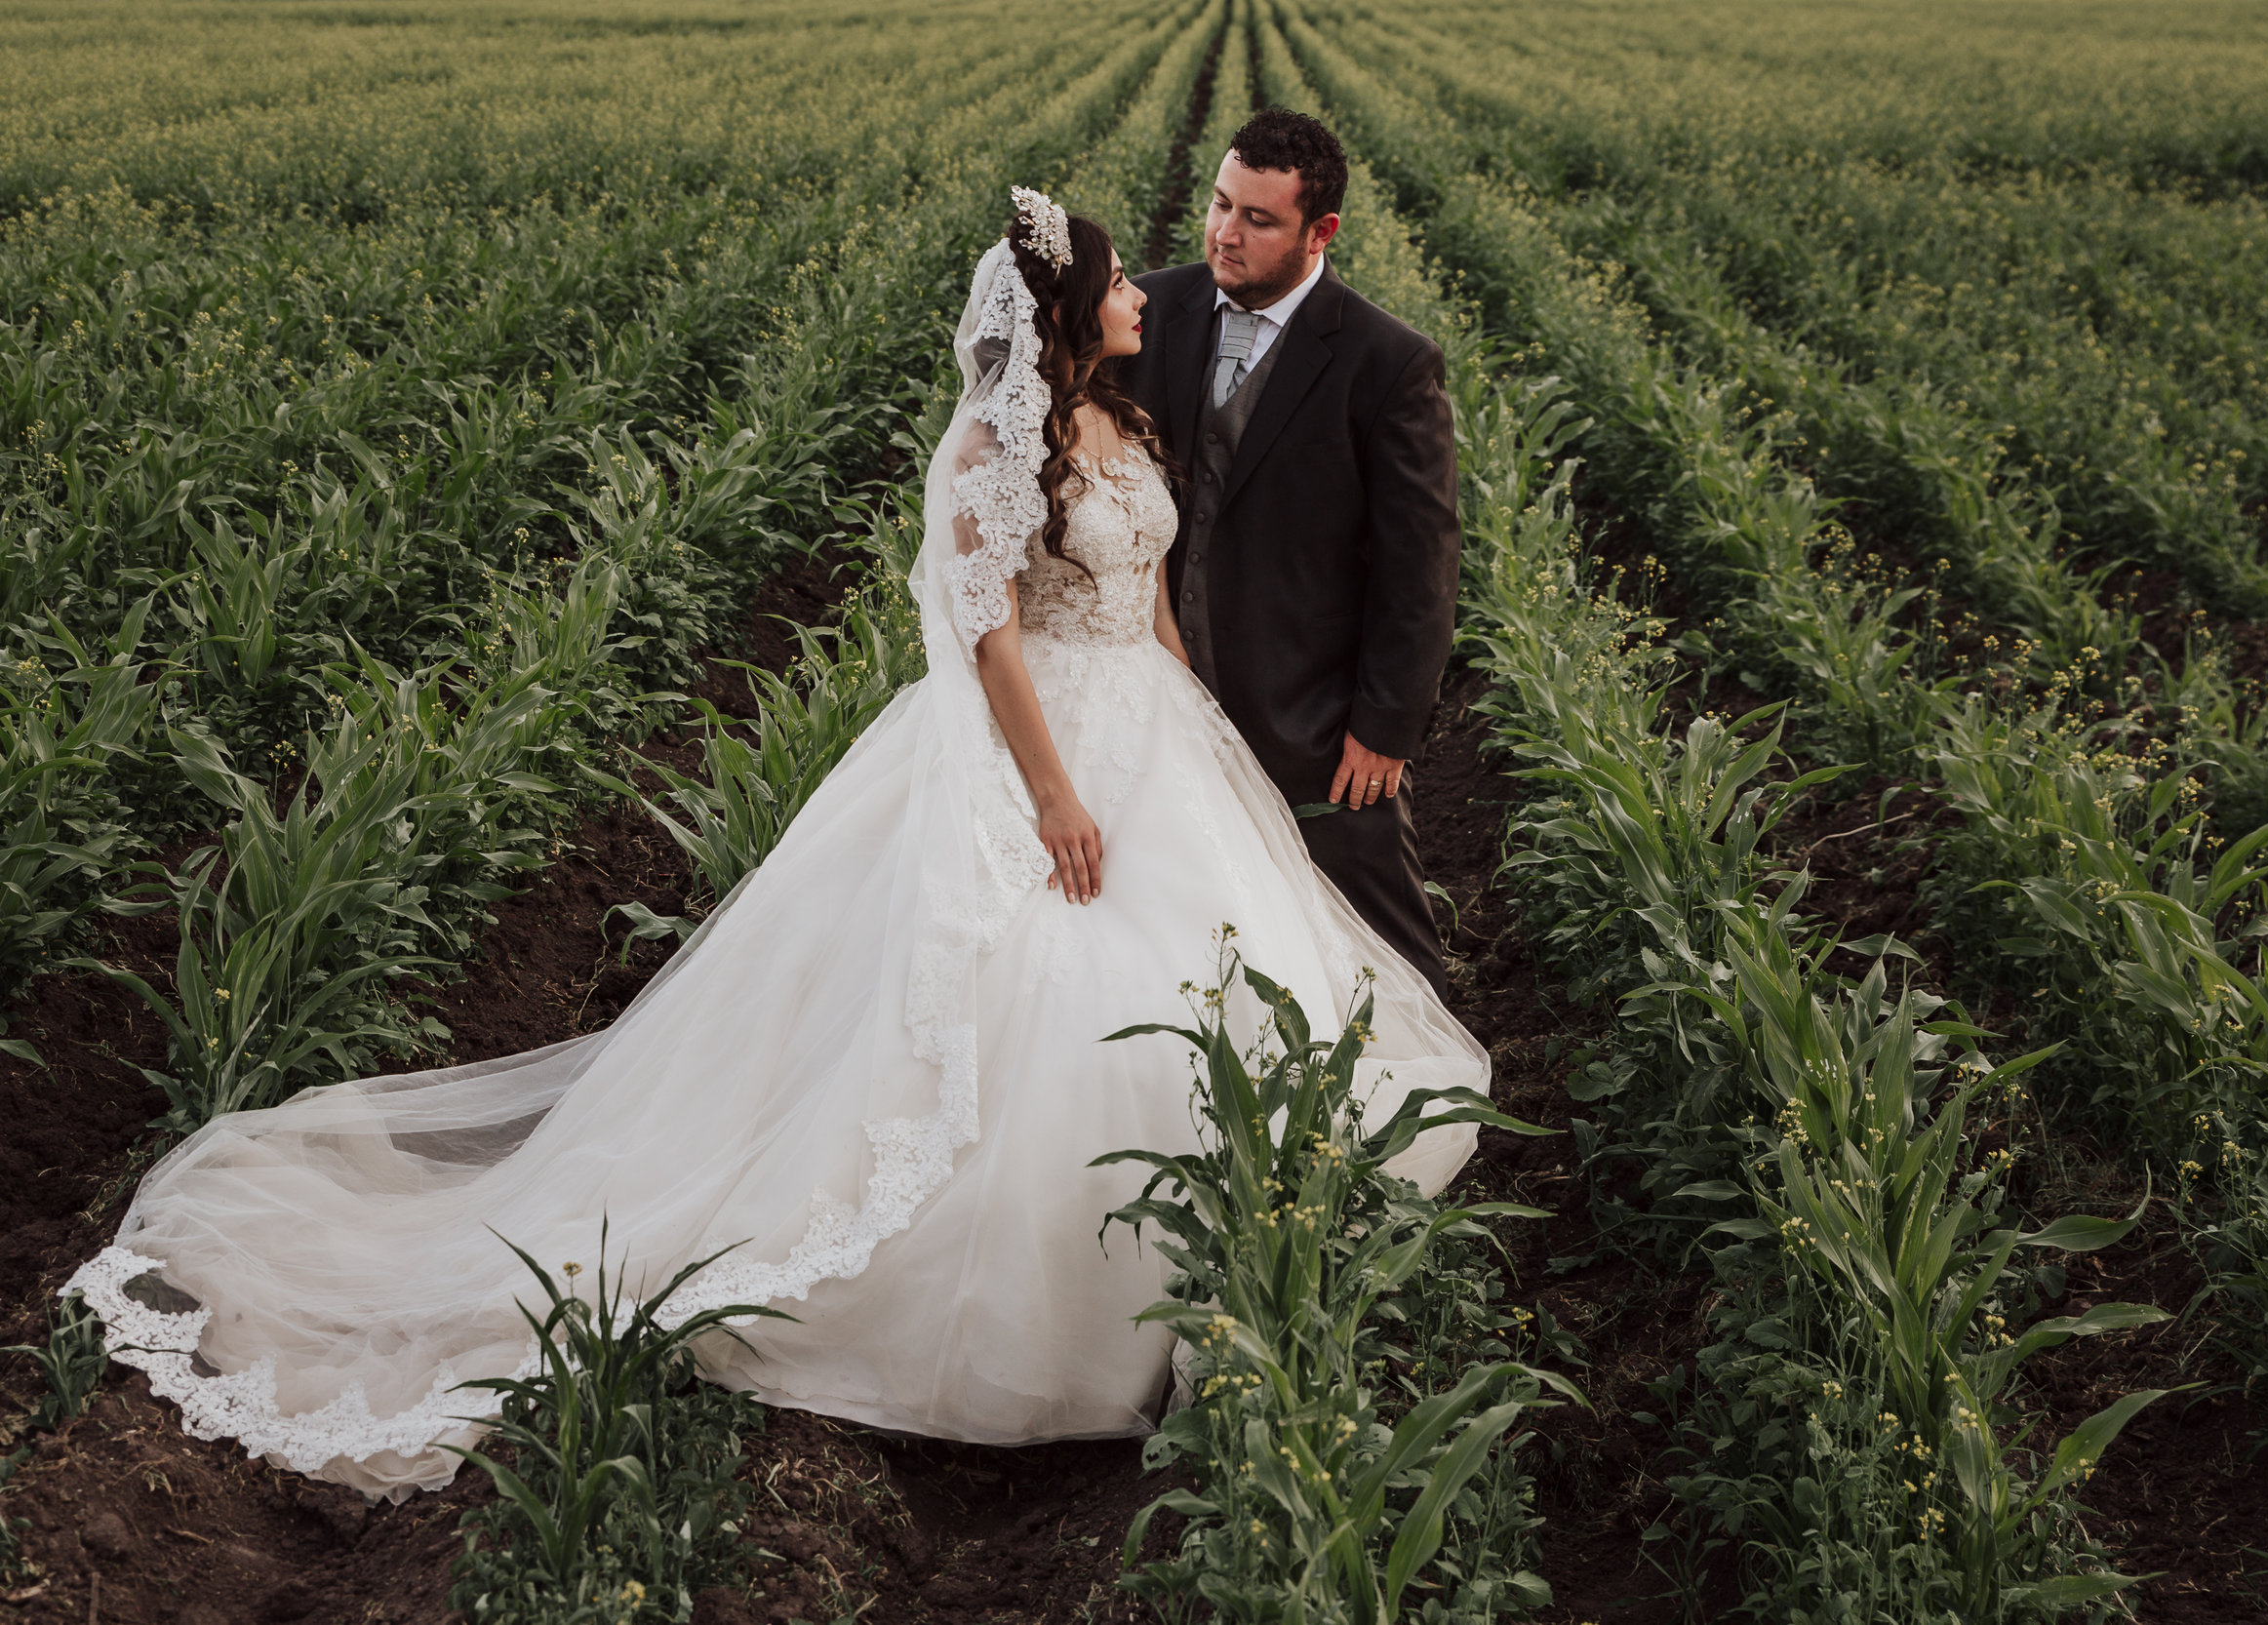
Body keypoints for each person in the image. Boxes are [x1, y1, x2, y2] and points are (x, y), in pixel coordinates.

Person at [65, 188, 1487, 1502]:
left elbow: (1156, 595)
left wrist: (1203, 720)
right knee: (1039, 992)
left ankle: (1208, 1252)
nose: (1148, 295)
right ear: (1070, 314)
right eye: (1123, 284)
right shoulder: (999, 445)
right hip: (1051, 734)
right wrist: (1052, 794)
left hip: (1156, 723)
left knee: (1211, 976)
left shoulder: (1122, 421)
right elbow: (988, 636)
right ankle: (1023, 1297)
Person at [1114, 109, 1461, 998]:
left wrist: (1384, 730)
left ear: (1321, 232)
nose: (1226, 233)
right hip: (1156, 701)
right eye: (1221, 204)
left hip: (1310, 719)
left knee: (1384, 946)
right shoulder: (1151, 311)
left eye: (1258, 219)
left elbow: (1417, 571)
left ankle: (1431, 1111)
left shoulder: (1388, 364)